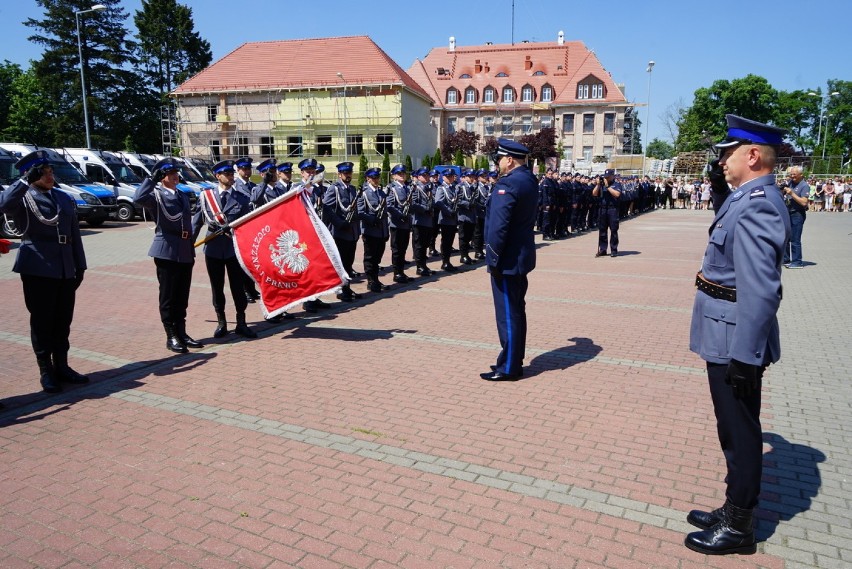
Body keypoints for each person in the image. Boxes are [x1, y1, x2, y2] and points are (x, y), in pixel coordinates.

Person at [685, 115, 790, 555]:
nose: (721, 160)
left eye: (727, 153)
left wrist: (747, 355)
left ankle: (739, 524)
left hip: (735, 342)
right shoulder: (746, 197)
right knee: (731, 428)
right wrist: (718, 180)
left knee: (740, 431)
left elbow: (762, 290)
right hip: (724, 333)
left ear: (751, 156)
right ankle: (732, 506)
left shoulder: (759, 203)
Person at [0, 151, 89, 393]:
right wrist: (23, 181)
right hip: (37, 267)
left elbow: (74, 236)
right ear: (32, 174)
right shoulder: (23, 197)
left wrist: (80, 264)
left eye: (50, 171)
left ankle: (62, 366)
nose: (50, 176)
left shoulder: (63, 197)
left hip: (64, 268)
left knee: (62, 321)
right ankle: (46, 370)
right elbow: (4, 205)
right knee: (42, 322)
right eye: (44, 172)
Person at [480, 139, 538, 382]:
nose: (498, 164)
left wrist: (492, 257)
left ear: (510, 159)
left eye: (500, 159)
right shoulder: (529, 180)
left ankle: (509, 368)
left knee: (508, 314)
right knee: (516, 311)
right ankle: (513, 360)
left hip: (507, 260)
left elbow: (498, 227)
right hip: (521, 257)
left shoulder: (509, 184)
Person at [134, 157, 203, 354]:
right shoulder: (156, 195)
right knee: (168, 296)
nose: (175, 176)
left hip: (184, 249)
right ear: (162, 177)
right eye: (170, 174)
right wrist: (150, 180)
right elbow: (138, 198)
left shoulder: (181, 195)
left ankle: (181, 332)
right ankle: (170, 334)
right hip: (166, 250)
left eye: (176, 173)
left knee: (182, 296)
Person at [192, 159, 257, 339]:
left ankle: (241, 322)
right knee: (217, 287)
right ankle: (221, 322)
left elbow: (248, 225)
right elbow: (196, 222)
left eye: (231, 174)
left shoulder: (242, 199)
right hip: (213, 249)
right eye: (226, 174)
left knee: (238, 288)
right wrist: (188, 245)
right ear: (217, 176)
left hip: (233, 249)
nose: (230, 177)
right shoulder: (206, 197)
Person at [323, 161, 362, 301]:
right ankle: (340, 290)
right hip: (340, 232)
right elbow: (326, 207)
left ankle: (347, 287)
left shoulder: (352, 189)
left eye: (349, 173)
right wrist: (339, 223)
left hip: (352, 232)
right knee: (341, 263)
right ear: (339, 174)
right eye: (345, 173)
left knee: (349, 263)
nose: (348, 175)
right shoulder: (334, 188)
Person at [358, 168, 390, 292]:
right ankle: (371, 281)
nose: (376, 180)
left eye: (378, 177)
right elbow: (360, 212)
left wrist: (385, 231)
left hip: (381, 231)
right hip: (370, 230)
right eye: (374, 177)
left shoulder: (381, 193)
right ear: (368, 179)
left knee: (377, 257)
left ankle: (376, 279)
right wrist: (372, 220)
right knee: (370, 258)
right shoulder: (364, 193)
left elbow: (385, 213)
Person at [385, 164, 413, 282]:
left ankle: (401, 272)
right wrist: (399, 215)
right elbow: (389, 205)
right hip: (397, 223)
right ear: (394, 176)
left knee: (403, 249)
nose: (402, 175)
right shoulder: (391, 188)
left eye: (403, 173)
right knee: (396, 250)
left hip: (405, 223)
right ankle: (396, 273)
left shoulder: (407, 188)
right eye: (399, 174)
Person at [782, 166, 809, 269]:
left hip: (797, 214)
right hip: (788, 213)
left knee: (795, 239)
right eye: (791, 174)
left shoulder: (804, 185)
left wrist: (792, 193)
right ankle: (786, 259)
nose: (792, 176)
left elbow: (804, 202)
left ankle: (797, 262)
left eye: (794, 174)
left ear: (801, 175)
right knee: (785, 237)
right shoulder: (790, 183)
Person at [409, 167, 435, 276]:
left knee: (425, 244)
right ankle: (419, 267)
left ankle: (424, 265)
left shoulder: (428, 187)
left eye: (427, 175)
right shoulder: (415, 188)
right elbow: (413, 203)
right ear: (419, 177)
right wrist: (425, 208)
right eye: (423, 175)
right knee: (419, 245)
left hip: (428, 220)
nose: (426, 177)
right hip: (419, 220)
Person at [592, 169, 622, 257]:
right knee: (602, 230)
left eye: (608, 177)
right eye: (605, 177)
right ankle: (603, 249)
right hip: (602, 209)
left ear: (613, 176)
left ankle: (614, 249)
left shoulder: (616, 184)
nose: (606, 178)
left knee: (613, 230)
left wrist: (608, 187)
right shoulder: (601, 185)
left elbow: (617, 194)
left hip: (613, 210)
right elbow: (594, 193)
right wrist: (598, 185)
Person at [434, 168, 459, 272]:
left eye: (451, 176)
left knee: (450, 241)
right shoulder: (441, 188)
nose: (450, 178)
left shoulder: (454, 188)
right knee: (446, 241)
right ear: (443, 177)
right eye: (448, 176)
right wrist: (449, 211)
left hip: (453, 219)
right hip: (445, 219)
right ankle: (445, 262)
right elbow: (438, 202)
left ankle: (448, 261)